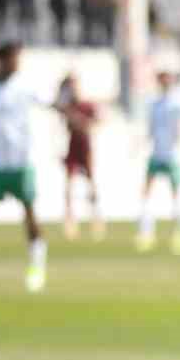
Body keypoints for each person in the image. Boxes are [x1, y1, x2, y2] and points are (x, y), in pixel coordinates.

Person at [0, 42, 49, 291]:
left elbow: (50, 102)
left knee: (30, 213)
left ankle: (37, 265)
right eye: (14, 58)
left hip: (20, 163)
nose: (18, 63)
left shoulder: (25, 85)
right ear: (3, 59)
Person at [137, 70, 180, 255]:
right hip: (156, 154)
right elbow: (150, 129)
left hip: (172, 155)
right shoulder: (155, 104)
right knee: (146, 194)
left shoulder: (177, 103)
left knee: (176, 195)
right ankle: (146, 232)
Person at [56, 73, 103, 240]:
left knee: (91, 183)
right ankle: (70, 220)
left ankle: (96, 217)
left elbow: (98, 121)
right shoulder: (67, 106)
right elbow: (59, 125)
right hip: (72, 147)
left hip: (85, 146)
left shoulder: (86, 105)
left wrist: (83, 123)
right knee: (68, 185)